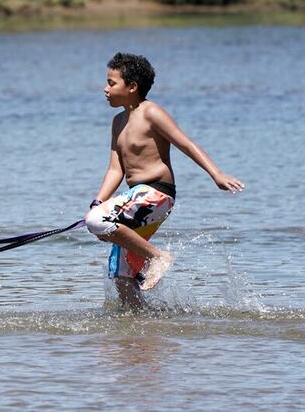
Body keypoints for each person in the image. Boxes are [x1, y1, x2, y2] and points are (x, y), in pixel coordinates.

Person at [84, 53, 244, 308]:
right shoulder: (118, 122)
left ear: (132, 87)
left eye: (112, 83)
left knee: (96, 221)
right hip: (136, 199)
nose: (105, 89)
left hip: (156, 193)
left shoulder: (151, 112)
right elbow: (115, 169)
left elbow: (186, 144)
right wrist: (98, 202)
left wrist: (216, 174)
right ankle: (143, 329)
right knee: (122, 277)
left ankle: (158, 257)